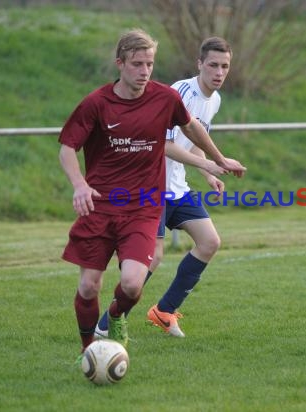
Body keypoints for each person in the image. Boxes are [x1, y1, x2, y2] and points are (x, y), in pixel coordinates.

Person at [59, 29, 245, 354]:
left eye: (150, 64)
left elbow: (191, 131)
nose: (145, 71)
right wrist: (80, 185)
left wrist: (213, 165)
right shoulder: (106, 102)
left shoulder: (190, 99)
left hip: (159, 196)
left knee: (198, 247)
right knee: (104, 279)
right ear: (120, 63)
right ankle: (97, 338)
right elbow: (164, 144)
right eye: (137, 64)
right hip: (124, 199)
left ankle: (145, 312)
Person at [94, 36, 233, 338]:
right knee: (152, 257)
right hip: (150, 187)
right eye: (212, 65)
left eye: (224, 66)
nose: (219, 72)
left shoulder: (215, 100)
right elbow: (164, 144)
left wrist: (208, 172)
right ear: (199, 64)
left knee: (209, 242)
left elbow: (193, 142)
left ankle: (164, 310)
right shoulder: (180, 93)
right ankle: (109, 322)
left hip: (177, 187)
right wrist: (211, 164)